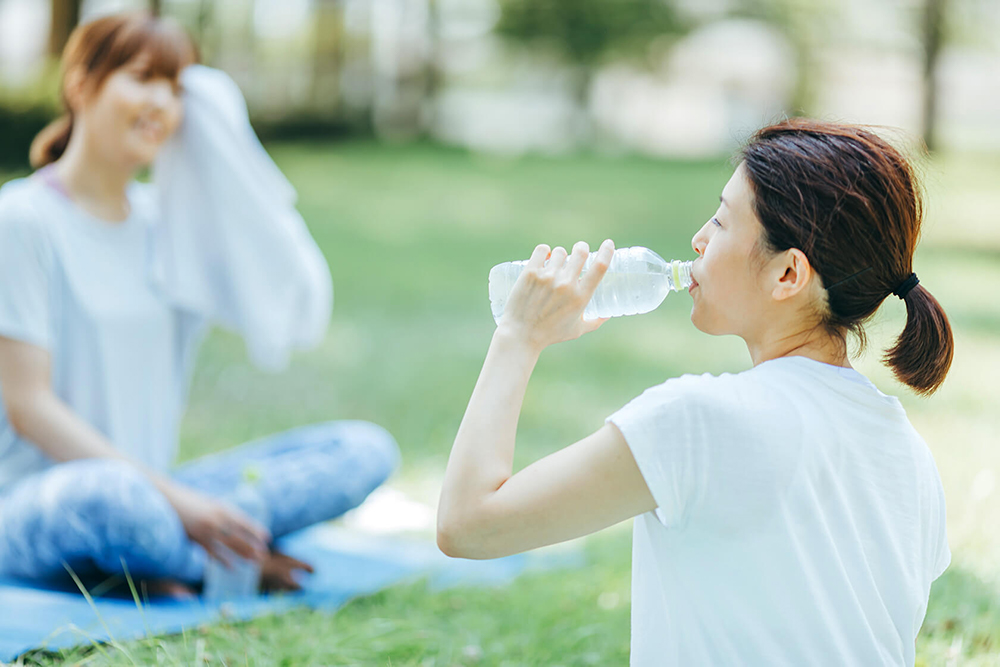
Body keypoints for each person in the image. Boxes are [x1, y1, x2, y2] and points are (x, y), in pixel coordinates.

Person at [438, 119, 952, 665]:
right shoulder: (911, 453)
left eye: (722, 220)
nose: (698, 240)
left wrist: (519, 336)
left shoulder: (701, 421)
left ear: (787, 275)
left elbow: (467, 525)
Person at [0, 13, 398, 597]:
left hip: (159, 495)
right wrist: (180, 504)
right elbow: (28, 406)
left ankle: (168, 556)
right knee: (110, 497)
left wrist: (221, 139)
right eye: (142, 77)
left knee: (363, 450)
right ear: (81, 83)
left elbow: (284, 289)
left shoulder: (172, 224)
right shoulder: (23, 219)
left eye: (178, 87)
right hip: (45, 507)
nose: (162, 102)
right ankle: (224, 565)